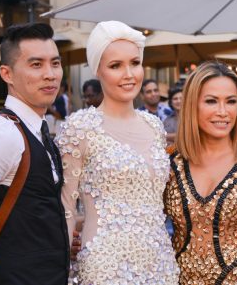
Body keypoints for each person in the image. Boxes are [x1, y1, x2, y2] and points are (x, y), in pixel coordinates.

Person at [56, 21, 179, 285]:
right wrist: (62, 264)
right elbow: (66, 204)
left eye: (134, 63)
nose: (129, 74)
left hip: (160, 263)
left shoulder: (153, 126)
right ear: (98, 70)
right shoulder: (80, 128)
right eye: (115, 66)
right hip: (105, 266)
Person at [164, 61, 237, 285]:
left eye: (231, 101)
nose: (222, 112)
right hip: (175, 278)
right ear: (192, 105)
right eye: (211, 101)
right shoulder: (169, 162)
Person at [0, 23, 69, 284]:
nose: (50, 74)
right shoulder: (1, 134)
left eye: (55, 63)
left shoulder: (39, 131)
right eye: (36, 64)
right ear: (7, 74)